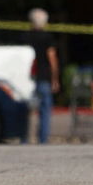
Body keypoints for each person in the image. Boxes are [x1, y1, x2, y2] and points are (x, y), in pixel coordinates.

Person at [26, 8, 59, 144]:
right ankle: (43, 140)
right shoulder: (48, 38)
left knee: (26, 110)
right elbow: (52, 59)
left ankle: (24, 138)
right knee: (44, 111)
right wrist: (55, 79)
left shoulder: (25, 37)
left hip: (27, 79)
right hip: (44, 78)